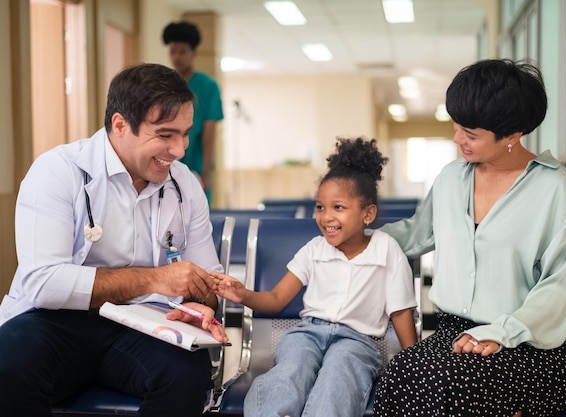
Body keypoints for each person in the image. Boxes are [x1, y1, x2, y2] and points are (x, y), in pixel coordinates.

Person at [0, 63, 229, 417]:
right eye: (166, 135)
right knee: (8, 360)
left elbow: (207, 276)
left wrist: (204, 303)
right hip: (55, 321)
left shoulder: (185, 184)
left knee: (187, 374)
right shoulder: (58, 171)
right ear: (120, 125)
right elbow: (44, 283)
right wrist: (155, 278)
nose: (180, 149)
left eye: (185, 134)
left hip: (144, 324)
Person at [373, 59, 566, 417]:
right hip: (455, 336)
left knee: (455, 389)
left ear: (512, 135)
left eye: (470, 134)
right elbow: (413, 235)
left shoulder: (555, 188)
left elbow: (557, 288)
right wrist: (352, 238)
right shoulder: (450, 178)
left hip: (535, 344)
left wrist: (499, 333)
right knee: (398, 376)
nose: (458, 139)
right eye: (457, 127)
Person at [209, 137, 418, 417]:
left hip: (357, 340)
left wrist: (412, 365)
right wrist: (243, 294)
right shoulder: (314, 250)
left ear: (368, 214)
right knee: (291, 368)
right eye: (320, 207)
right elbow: (276, 298)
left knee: (339, 374)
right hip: (307, 332)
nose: (326, 217)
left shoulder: (386, 249)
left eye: (338, 207)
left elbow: (401, 311)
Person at [163, 21, 224, 205]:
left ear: (193, 53)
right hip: (166, 163)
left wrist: (206, 171)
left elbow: (209, 132)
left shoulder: (208, 87)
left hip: (195, 165)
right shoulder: (164, 85)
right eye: (173, 51)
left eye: (182, 51)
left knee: (196, 213)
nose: (177, 57)